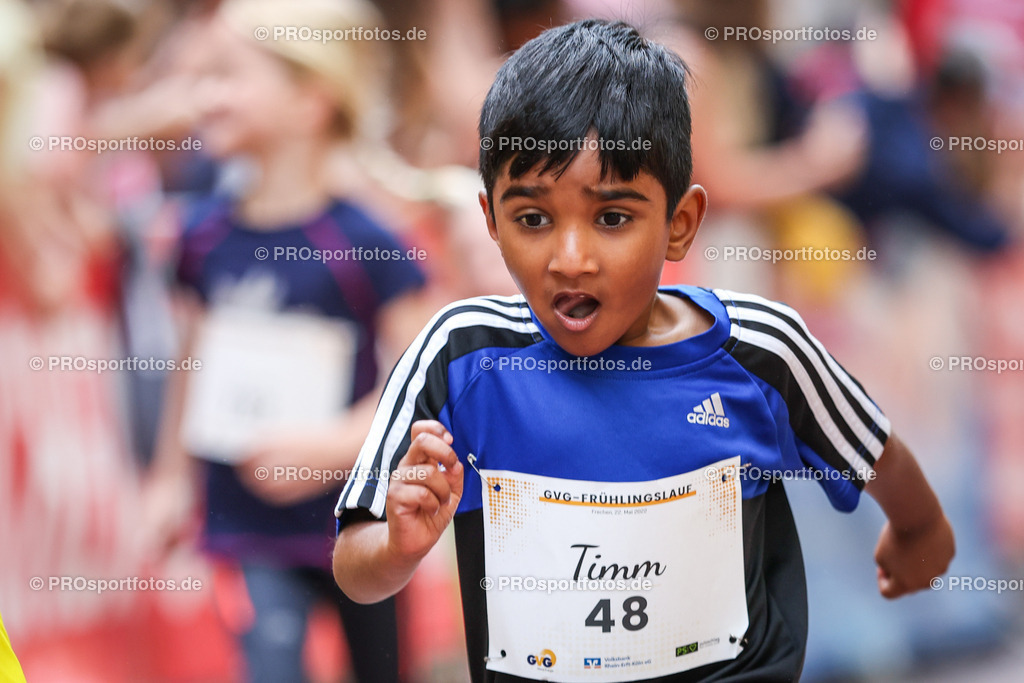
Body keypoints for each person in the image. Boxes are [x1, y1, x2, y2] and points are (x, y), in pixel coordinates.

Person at [332, 19, 955, 683]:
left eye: (612, 217)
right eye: (533, 218)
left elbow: (875, 450)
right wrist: (398, 545)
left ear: (680, 223)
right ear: (490, 221)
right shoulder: (458, 355)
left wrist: (921, 531)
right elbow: (356, 567)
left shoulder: (760, 351)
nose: (571, 259)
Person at [151, 1, 430, 681]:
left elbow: (420, 383)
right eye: (203, 76)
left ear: (311, 99)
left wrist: (331, 446)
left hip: (362, 527)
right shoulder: (200, 237)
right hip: (247, 527)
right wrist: (166, 479)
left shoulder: (369, 242)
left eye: (229, 76)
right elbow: (192, 359)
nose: (205, 95)